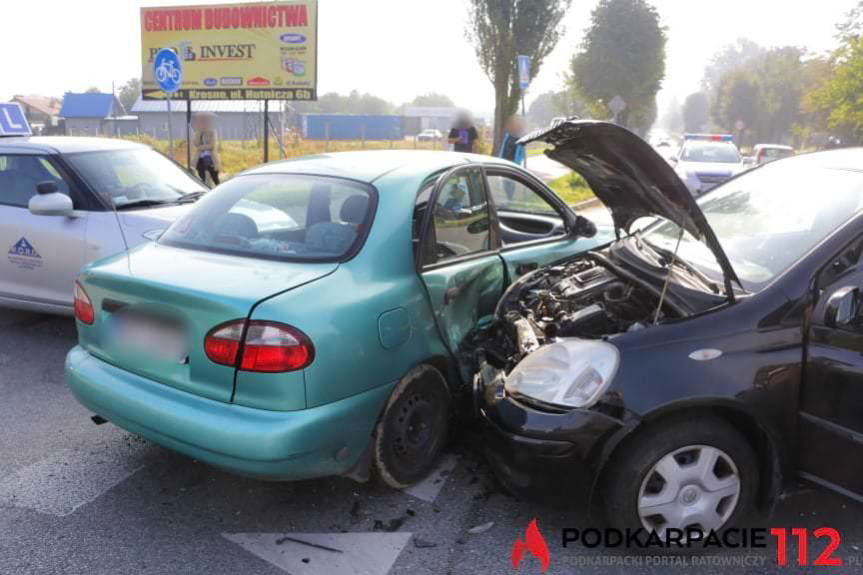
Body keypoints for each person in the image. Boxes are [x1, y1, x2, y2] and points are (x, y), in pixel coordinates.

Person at [193, 112, 220, 185]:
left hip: (211, 158)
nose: (203, 123)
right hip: (200, 158)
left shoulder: (212, 132)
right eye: (201, 121)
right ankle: (205, 186)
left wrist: (201, 147)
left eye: (205, 121)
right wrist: (199, 133)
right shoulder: (198, 132)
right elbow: (196, 144)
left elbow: (212, 145)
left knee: (214, 177)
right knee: (202, 177)